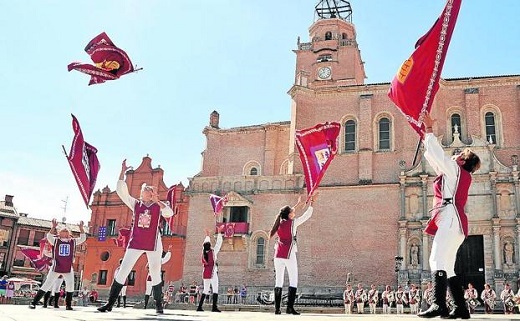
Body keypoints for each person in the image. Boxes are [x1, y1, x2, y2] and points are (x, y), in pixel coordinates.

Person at [418, 112, 481, 319]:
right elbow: (435, 160)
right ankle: (461, 308)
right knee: (448, 266)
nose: (454, 155)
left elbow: (438, 156)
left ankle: (438, 304)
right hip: (457, 223)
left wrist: (429, 130)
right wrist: (425, 136)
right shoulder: (459, 174)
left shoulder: (454, 170)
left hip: (449, 218)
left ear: (462, 161)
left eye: (458, 154)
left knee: (435, 260)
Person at [97, 159, 174, 314]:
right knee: (123, 269)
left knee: (155, 270)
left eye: (151, 190)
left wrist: (158, 201)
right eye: (147, 189)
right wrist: (122, 172)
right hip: (137, 241)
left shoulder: (158, 206)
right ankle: (110, 304)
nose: (149, 191)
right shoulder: (135, 204)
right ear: (142, 193)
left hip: (153, 242)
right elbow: (121, 192)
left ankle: (159, 305)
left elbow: (169, 213)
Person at [269, 192, 317, 315]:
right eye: (293, 212)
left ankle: (277, 309)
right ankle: (290, 308)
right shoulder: (292, 223)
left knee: (278, 281)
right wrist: (312, 202)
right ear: (290, 214)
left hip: (278, 253)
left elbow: (286, 213)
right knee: (293, 280)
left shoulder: (279, 222)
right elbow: (307, 215)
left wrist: (297, 204)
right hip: (289, 253)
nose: (294, 213)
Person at [29, 220, 86, 310]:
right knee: (47, 284)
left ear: (69, 233)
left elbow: (82, 239)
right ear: (59, 233)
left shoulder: (73, 241)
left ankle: (68, 305)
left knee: (70, 286)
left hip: (68, 267)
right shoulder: (55, 241)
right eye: (63, 232)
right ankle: (34, 303)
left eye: (66, 232)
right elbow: (49, 236)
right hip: (56, 266)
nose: (65, 233)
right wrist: (53, 227)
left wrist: (81, 229)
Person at [196, 226, 224, 312]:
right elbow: (219, 244)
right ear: (210, 246)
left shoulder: (203, 253)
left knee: (206, 289)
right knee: (215, 289)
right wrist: (219, 233)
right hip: (212, 273)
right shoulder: (213, 252)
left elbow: (205, 244)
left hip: (205, 273)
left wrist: (207, 235)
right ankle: (214, 307)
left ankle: (199, 307)